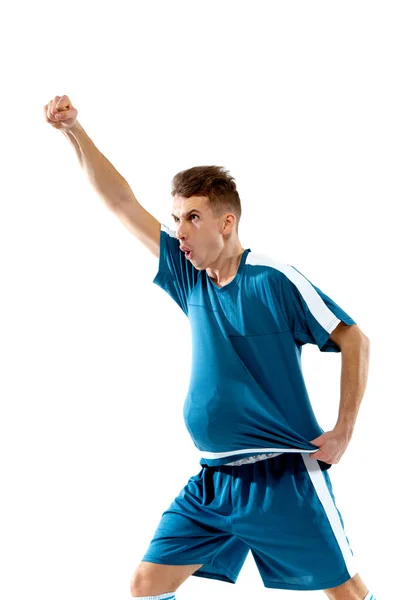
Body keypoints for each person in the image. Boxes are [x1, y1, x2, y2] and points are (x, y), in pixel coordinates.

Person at [44, 95, 375, 600]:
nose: (179, 231)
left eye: (192, 218)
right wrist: (74, 131)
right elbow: (120, 203)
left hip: (280, 476)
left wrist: (344, 430)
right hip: (213, 482)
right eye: (176, 217)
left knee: (346, 593)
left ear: (226, 222)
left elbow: (355, 338)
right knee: (146, 585)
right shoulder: (188, 276)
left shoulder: (272, 280)